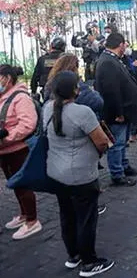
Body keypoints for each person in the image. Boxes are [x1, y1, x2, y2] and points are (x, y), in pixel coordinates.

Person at [44, 71, 114, 277]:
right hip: (82, 175)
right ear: (75, 90)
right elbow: (101, 141)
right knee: (85, 218)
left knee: (67, 215)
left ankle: (73, 256)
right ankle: (89, 262)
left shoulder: (48, 109)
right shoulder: (82, 112)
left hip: (56, 173)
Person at [94, 33, 137, 186]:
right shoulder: (108, 62)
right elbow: (111, 91)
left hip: (125, 110)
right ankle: (117, 173)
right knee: (117, 143)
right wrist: (118, 113)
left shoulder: (113, 59)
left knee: (123, 141)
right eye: (125, 45)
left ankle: (124, 165)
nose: (126, 48)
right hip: (116, 113)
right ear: (120, 44)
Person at [0, 64, 42, 240]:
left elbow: (27, 125)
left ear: (7, 79)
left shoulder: (20, 97)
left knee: (22, 184)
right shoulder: (3, 97)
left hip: (17, 149)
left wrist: (6, 138)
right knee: (14, 183)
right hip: (5, 151)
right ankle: (24, 214)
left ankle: (32, 221)